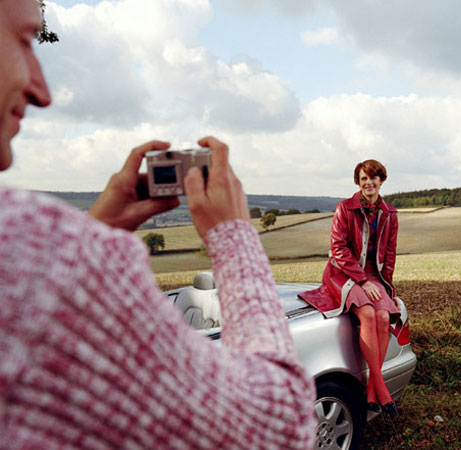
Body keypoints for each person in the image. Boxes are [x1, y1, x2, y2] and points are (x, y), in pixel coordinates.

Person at [0, 1, 316, 448]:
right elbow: (277, 430)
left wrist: (95, 231)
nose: (42, 91)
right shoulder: (27, 249)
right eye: (25, 40)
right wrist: (235, 239)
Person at [299, 159, 400, 415]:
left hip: (371, 275)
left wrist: (387, 289)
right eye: (363, 178)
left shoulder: (390, 214)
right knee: (366, 312)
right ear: (358, 181)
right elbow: (338, 249)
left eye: (373, 178)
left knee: (384, 314)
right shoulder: (345, 208)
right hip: (342, 272)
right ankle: (379, 387)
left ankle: (369, 391)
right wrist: (363, 281)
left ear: (381, 181)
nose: (368, 183)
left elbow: (389, 256)